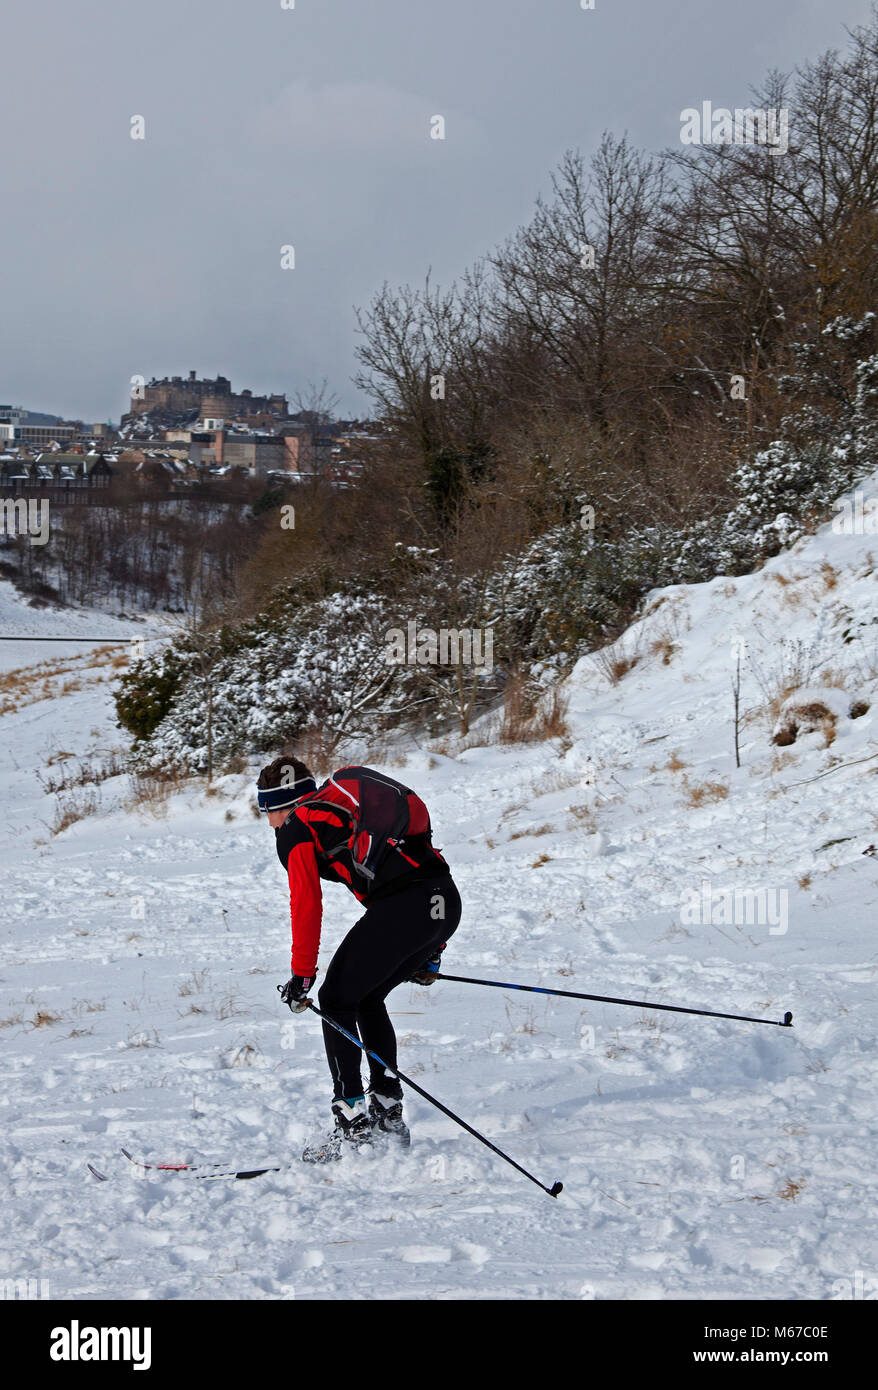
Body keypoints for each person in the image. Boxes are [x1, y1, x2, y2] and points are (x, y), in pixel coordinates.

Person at [257, 756, 461, 1163]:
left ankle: (352, 1125)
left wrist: (301, 976)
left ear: (283, 804)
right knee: (366, 998)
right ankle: (387, 1112)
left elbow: (306, 904)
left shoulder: (297, 826)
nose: (269, 824)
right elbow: (420, 864)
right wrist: (431, 951)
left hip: (406, 910)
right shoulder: (342, 809)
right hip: (444, 904)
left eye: (267, 811)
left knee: (335, 1001)